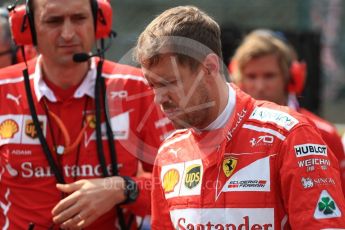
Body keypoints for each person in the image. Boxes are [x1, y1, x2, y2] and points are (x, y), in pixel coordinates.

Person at [134, 5, 345, 229]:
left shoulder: (290, 136)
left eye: (169, 83)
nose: (159, 98)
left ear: (210, 67)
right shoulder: (169, 152)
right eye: (153, 85)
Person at [0, 0, 172, 229]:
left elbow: (178, 185)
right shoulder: (3, 89)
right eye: (54, 21)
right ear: (27, 28)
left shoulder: (138, 88)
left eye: (79, 19)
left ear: (98, 22)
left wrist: (122, 189)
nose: (68, 34)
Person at [231, 29, 345, 196]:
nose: (260, 86)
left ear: (291, 78)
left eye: (269, 76)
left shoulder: (323, 134)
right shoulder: (226, 134)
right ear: (239, 82)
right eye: (251, 76)